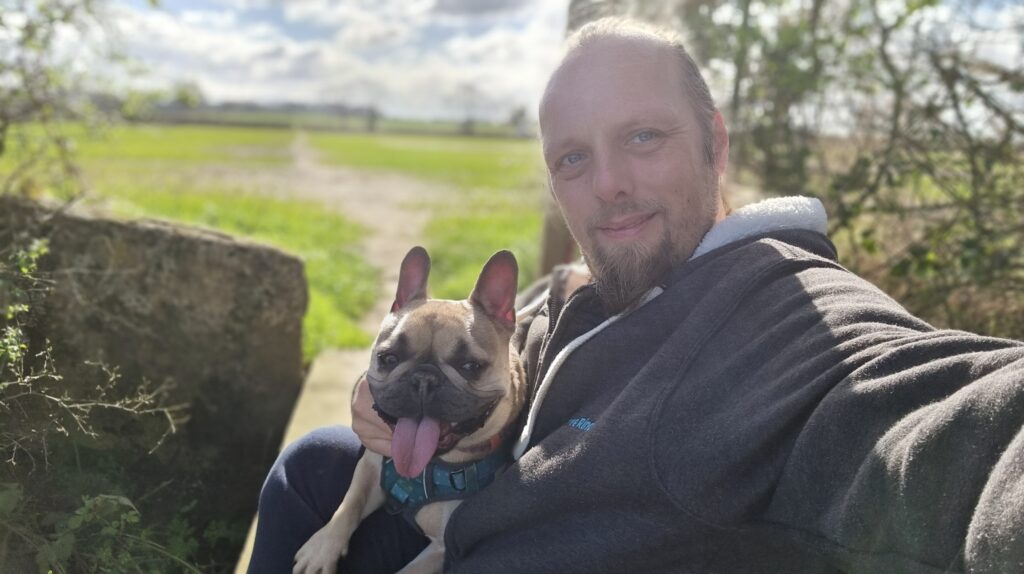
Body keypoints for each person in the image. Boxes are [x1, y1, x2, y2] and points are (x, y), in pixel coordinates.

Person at [249, 17, 1024, 573]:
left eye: (644, 137)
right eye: (574, 158)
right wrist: (383, 391)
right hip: (478, 523)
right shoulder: (592, 285)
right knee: (316, 459)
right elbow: (480, 347)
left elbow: (943, 418)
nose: (609, 183)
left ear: (714, 143)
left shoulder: (792, 320)